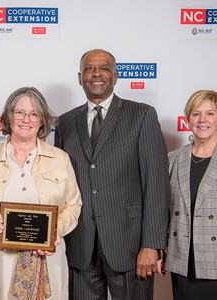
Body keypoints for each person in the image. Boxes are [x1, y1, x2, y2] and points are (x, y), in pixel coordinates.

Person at [55, 49, 170, 300]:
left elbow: (156, 184)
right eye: (89, 68)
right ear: (79, 77)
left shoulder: (142, 115)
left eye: (104, 68)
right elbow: (58, 186)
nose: (96, 73)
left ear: (116, 76)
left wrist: (151, 244)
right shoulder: (64, 123)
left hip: (129, 246)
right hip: (80, 246)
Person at [0, 86, 82, 299]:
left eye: (34, 114)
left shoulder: (60, 159)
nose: (26, 119)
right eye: (20, 112)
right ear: (9, 118)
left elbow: (74, 205)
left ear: (42, 121)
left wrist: (56, 230)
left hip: (48, 258)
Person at [164, 90, 217, 300]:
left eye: (210, 113)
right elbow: (164, 210)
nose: (202, 120)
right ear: (188, 119)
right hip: (183, 261)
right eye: (196, 114)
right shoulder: (173, 159)